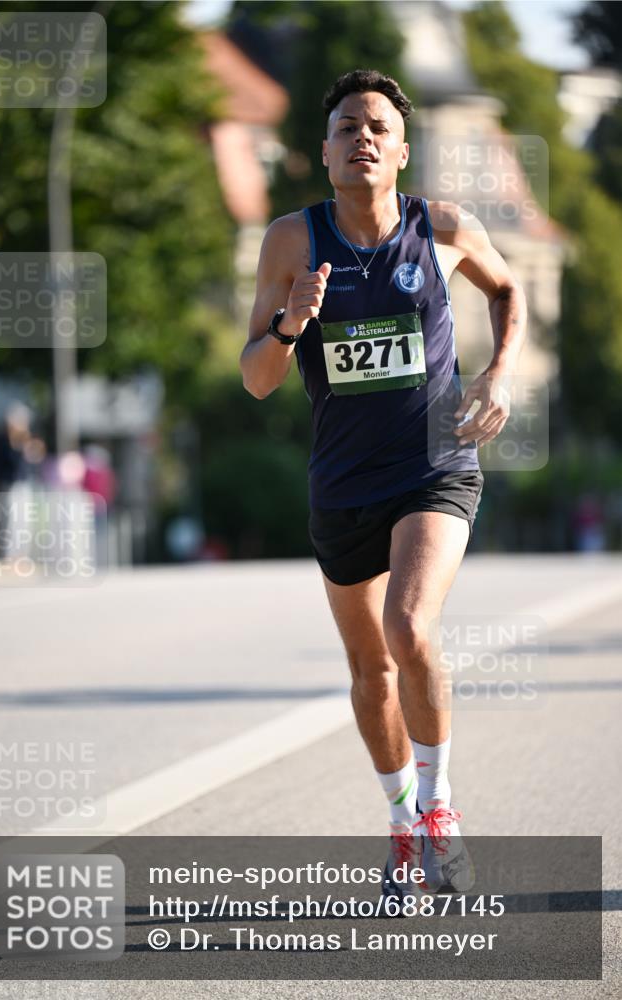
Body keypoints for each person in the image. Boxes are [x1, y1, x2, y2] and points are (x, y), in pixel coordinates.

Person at [240, 70, 526, 900]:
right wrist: (293, 319)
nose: (360, 137)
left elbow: (506, 290)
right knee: (369, 667)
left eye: (375, 127)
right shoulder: (292, 242)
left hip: (432, 467)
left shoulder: (440, 227)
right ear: (324, 153)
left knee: (408, 625)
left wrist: (499, 373)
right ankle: (401, 823)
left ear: (400, 150)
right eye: (344, 128)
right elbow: (258, 379)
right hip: (340, 482)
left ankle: (439, 813)